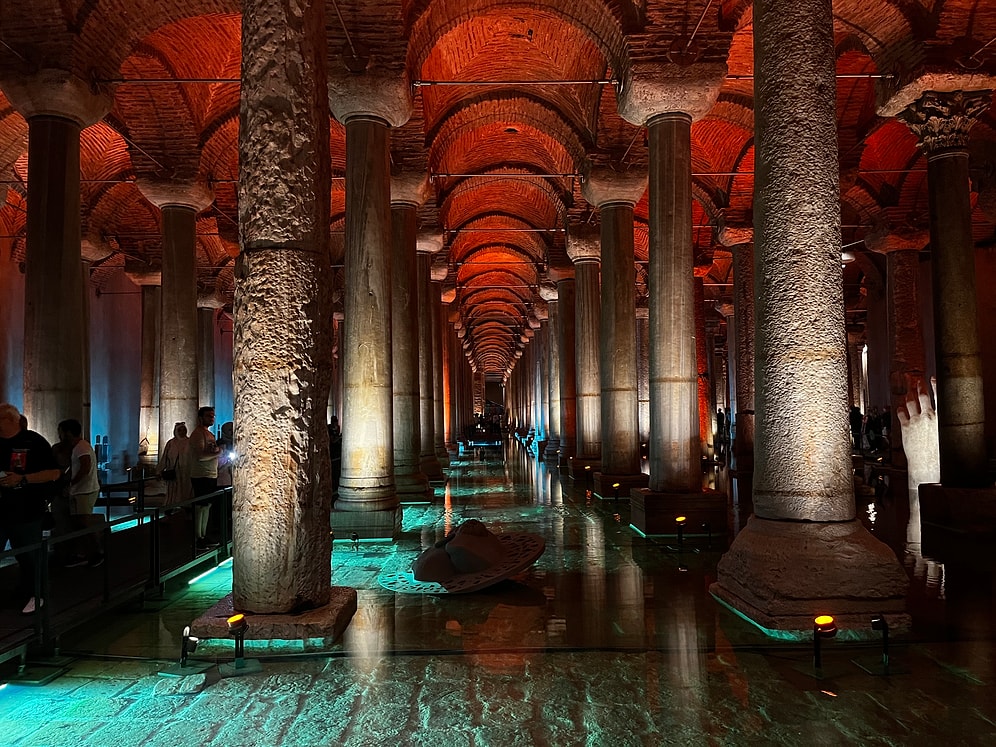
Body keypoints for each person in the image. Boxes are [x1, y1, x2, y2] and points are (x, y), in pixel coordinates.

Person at [0, 403, 61, 614]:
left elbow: (54, 472)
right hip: (2, 510)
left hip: (27, 511)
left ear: (11, 420)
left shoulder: (34, 442)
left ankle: (38, 594)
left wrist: (23, 479)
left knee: (31, 555)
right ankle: (24, 589)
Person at [58, 419, 104, 568]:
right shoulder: (80, 446)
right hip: (84, 490)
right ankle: (85, 553)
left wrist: (71, 483)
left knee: (83, 523)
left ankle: (96, 553)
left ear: (68, 433)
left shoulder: (80, 447)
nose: (60, 434)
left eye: (61, 431)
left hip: (84, 491)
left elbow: (85, 467)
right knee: (79, 523)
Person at [189, 407, 220, 548]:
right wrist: (219, 454)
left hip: (210, 474)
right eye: (208, 416)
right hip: (201, 475)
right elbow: (201, 456)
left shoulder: (209, 434)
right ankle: (197, 537)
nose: (211, 418)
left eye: (213, 416)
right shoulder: (197, 434)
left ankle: (203, 535)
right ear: (200, 417)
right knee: (200, 506)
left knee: (206, 506)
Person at [158, 421, 193, 509]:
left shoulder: (190, 442)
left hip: (187, 472)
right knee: (173, 490)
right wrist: (159, 470)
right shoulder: (171, 443)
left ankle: (186, 506)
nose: (182, 432)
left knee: (186, 489)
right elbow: (165, 458)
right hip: (173, 472)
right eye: (180, 430)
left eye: (183, 430)